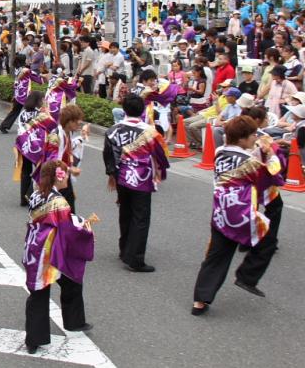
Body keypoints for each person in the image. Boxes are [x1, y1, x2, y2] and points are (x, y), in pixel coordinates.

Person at [191, 117, 284, 315]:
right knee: (268, 240)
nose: (254, 138)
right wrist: (271, 151)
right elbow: (273, 173)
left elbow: (250, 163)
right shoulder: (250, 162)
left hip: (221, 210)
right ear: (242, 139)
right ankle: (246, 276)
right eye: (252, 135)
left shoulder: (220, 152)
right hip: (241, 213)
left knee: (217, 254)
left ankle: (200, 300)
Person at [23, 160, 95, 353]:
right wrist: (84, 226)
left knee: (48, 289)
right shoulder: (59, 202)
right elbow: (68, 230)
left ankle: (35, 339)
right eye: (66, 174)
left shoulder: (37, 194)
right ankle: (72, 322)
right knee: (61, 282)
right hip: (50, 250)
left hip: (34, 246)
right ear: (59, 177)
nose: (68, 179)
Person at [103, 94, 169, 273]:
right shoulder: (150, 132)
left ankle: (124, 249)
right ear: (142, 110)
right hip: (141, 177)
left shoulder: (113, 130)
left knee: (125, 212)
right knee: (141, 217)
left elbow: (109, 155)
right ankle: (136, 258)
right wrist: (160, 174)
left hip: (122, 176)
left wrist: (112, 175)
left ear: (123, 109)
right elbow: (161, 156)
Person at [0, 54, 42, 133]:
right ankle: (32, 126)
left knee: (15, 111)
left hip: (18, 93)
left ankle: (4, 125)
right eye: (25, 59)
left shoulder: (17, 69)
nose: (26, 60)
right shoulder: (26, 70)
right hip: (25, 94)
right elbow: (36, 77)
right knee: (32, 109)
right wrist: (43, 79)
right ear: (23, 61)